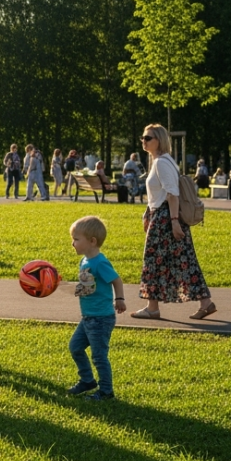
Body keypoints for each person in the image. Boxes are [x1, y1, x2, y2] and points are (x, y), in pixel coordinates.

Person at [131, 124, 216, 321]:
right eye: (143, 138)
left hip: (165, 219)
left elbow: (172, 193)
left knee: (153, 261)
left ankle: (152, 308)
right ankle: (206, 303)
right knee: (184, 261)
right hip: (163, 215)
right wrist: (147, 212)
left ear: (159, 140)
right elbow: (160, 193)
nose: (143, 141)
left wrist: (174, 222)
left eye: (148, 138)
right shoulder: (163, 161)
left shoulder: (162, 163)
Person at [66, 216, 126, 401]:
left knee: (99, 356)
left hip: (101, 318)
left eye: (76, 239)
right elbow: (88, 287)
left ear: (92, 241)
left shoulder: (99, 263)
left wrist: (120, 299)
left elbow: (116, 280)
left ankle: (106, 391)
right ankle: (87, 381)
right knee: (75, 347)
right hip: (88, 317)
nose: (73, 243)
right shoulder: (85, 261)